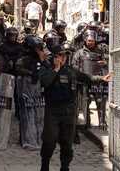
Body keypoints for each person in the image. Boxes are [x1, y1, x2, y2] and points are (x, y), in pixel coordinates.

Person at [38, 43, 109, 171]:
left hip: (69, 111)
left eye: (64, 55)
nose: (63, 58)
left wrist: (102, 78)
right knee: (49, 141)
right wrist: (56, 69)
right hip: (53, 111)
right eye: (60, 55)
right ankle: (45, 166)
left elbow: (87, 78)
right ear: (54, 57)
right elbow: (45, 82)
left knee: (67, 143)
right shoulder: (46, 68)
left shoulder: (70, 70)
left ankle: (65, 167)